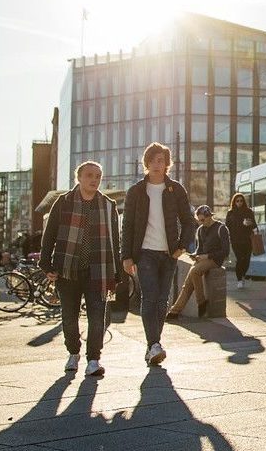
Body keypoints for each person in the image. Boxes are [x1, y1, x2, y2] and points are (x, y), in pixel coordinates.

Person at [39, 160, 120, 378]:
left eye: (98, 176)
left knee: (97, 318)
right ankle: (73, 353)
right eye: (89, 175)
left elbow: (115, 239)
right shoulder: (63, 202)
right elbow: (50, 236)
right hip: (67, 269)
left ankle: (93, 360)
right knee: (69, 317)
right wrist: (45, 264)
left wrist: (117, 270)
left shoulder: (108, 205)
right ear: (79, 178)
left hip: (99, 270)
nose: (94, 179)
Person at [121, 142, 195, 367]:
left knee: (162, 300)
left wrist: (181, 247)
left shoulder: (175, 189)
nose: (156, 164)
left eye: (161, 160)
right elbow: (128, 226)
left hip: (168, 254)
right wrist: (126, 256)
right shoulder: (136, 191)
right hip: (144, 254)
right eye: (152, 160)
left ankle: (153, 345)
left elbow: (189, 220)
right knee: (150, 298)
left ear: (166, 164)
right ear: (146, 163)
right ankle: (153, 344)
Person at [167, 206, 231, 319]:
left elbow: (225, 251)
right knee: (187, 285)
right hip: (203, 260)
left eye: (203, 220)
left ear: (209, 216)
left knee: (194, 271)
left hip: (215, 260)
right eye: (199, 220)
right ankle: (174, 312)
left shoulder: (221, 228)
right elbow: (199, 249)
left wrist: (207, 256)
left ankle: (201, 302)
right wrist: (195, 255)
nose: (201, 222)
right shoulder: (200, 230)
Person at [225, 192, 258, 289]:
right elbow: (227, 227)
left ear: (244, 202)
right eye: (237, 201)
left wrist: (249, 224)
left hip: (247, 240)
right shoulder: (230, 213)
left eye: (241, 201)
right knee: (240, 259)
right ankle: (239, 279)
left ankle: (243, 275)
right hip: (235, 241)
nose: (239, 203)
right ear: (234, 202)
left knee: (246, 260)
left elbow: (255, 225)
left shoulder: (249, 212)